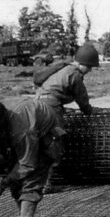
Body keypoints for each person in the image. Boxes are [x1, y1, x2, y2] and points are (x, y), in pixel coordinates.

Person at [32, 42, 99, 191]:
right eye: (89, 67)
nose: (89, 70)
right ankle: (46, 185)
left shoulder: (65, 69)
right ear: (83, 64)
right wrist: (90, 110)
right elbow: (82, 99)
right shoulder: (75, 74)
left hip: (37, 104)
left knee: (40, 142)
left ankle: (34, 182)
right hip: (50, 107)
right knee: (54, 143)